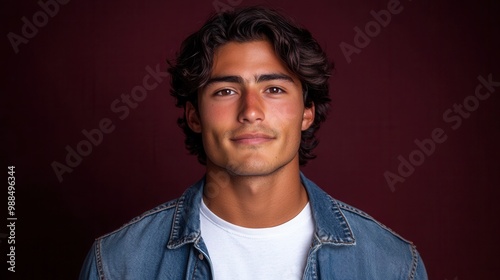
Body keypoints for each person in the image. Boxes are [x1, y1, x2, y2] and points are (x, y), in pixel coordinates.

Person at [79, 6, 427, 279]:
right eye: (226, 91)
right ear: (194, 115)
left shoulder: (391, 264)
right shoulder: (117, 263)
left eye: (273, 89)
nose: (250, 111)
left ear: (307, 111)